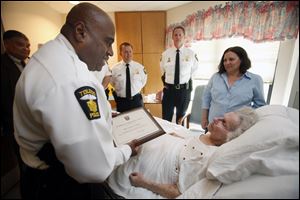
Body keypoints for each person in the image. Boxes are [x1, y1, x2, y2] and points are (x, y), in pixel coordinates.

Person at [13, 3, 139, 199]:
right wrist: (126, 150)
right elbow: (94, 167)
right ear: (80, 32)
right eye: (107, 42)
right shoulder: (72, 79)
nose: (111, 52)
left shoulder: (47, 55)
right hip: (58, 186)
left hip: (35, 173)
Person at [107, 107, 258, 198]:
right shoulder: (204, 136)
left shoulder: (207, 157)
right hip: (144, 146)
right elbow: (187, 142)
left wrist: (144, 183)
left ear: (230, 138)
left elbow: (179, 192)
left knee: (108, 159)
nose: (217, 119)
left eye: (223, 123)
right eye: (222, 116)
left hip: (144, 168)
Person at [201, 46, 266, 131]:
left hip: (237, 129)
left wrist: (244, 118)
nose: (227, 63)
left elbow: (260, 105)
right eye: (225, 60)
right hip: (214, 126)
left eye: (231, 59)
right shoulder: (216, 77)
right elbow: (206, 98)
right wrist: (204, 118)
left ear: (241, 60)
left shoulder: (255, 80)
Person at [158, 26, 199, 124]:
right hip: (169, 91)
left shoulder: (191, 54)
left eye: (180, 35)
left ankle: (180, 138)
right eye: (175, 35)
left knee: (181, 119)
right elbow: (163, 71)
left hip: (184, 91)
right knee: (166, 119)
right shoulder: (165, 54)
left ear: (184, 37)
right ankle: (166, 138)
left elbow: (194, 71)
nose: (178, 37)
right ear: (172, 37)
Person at [1, 30, 30, 162]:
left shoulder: (29, 64)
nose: (26, 49)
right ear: (6, 44)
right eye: (20, 45)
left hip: (33, 121)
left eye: (28, 46)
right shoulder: (3, 66)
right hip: (15, 125)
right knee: (25, 162)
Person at [111, 42, 147, 112]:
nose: (128, 54)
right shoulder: (114, 69)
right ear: (121, 53)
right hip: (122, 102)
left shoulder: (140, 67)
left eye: (130, 51)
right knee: (123, 122)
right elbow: (112, 83)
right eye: (126, 52)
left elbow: (143, 81)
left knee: (138, 121)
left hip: (136, 101)